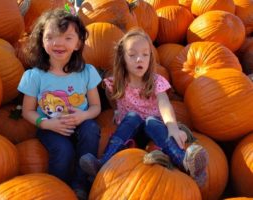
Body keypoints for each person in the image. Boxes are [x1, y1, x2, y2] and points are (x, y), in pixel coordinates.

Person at [79, 28, 208, 187]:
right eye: (132, 55)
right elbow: (110, 95)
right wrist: (117, 110)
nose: (139, 59)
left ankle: (185, 162)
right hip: (129, 131)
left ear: (150, 58)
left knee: (152, 121)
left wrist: (172, 126)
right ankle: (103, 163)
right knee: (132, 117)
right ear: (123, 58)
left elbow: (164, 104)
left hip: (153, 132)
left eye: (145, 54)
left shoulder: (155, 81)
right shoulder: (117, 81)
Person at [17, 7, 101, 200]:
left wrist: (84, 115)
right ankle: (58, 190)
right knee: (63, 151)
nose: (58, 43)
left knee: (91, 129)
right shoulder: (35, 75)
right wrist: (47, 124)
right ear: (41, 40)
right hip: (50, 126)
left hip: (80, 122)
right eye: (50, 37)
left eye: (67, 38)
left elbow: (96, 106)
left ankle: (81, 184)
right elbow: (28, 111)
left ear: (79, 43)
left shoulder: (86, 72)